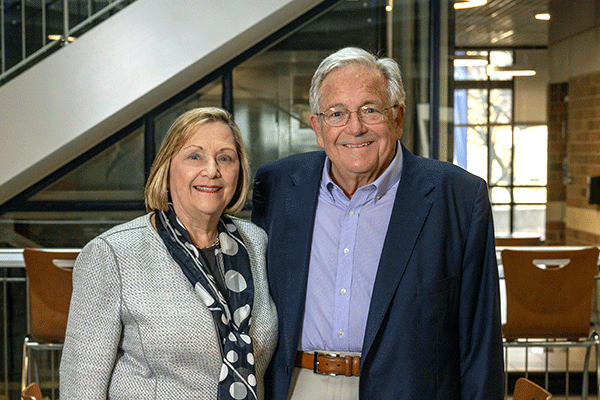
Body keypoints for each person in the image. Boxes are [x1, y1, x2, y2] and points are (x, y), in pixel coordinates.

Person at [251, 47, 503, 399]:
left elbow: (480, 340)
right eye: (337, 113)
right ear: (318, 128)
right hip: (298, 385)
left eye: (370, 110)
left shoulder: (458, 197)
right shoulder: (277, 185)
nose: (355, 127)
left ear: (398, 118)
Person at [60, 107, 278, 400]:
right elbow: (82, 386)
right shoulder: (111, 254)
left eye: (225, 158)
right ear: (167, 167)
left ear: (239, 171)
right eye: (194, 156)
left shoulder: (257, 243)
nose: (212, 170)